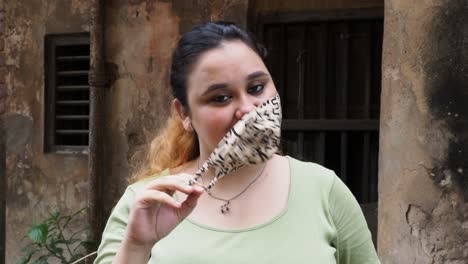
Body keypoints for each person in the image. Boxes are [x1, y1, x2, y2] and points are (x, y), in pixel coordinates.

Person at [94, 21, 380, 264]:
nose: (248, 108)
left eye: (257, 88)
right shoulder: (146, 204)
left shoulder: (323, 190)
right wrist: (136, 248)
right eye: (220, 98)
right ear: (185, 114)